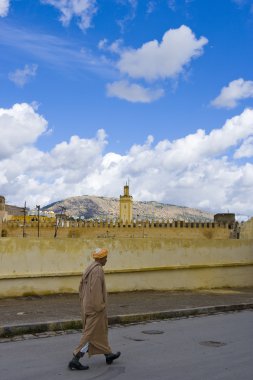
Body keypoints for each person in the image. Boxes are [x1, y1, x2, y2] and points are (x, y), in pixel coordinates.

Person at [68, 247, 121, 370]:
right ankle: (75, 358)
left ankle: (108, 354)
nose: (107, 260)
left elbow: (81, 287)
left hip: (88, 305)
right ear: (101, 258)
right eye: (106, 258)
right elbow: (96, 290)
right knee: (90, 334)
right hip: (95, 308)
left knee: (100, 332)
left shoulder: (90, 267)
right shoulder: (97, 271)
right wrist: (100, 306)